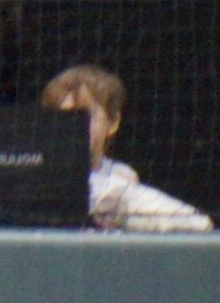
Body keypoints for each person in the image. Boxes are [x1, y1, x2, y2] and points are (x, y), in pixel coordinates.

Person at [41, 65, 211, 234]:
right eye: (62, 117)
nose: (73, 127)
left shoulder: (118, 185)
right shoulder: (29, 174)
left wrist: (125, 210)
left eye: (85, 115)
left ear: (113, 122)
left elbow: (199, 224)